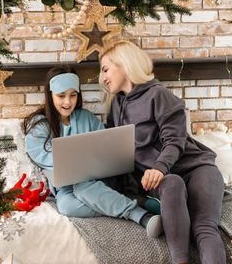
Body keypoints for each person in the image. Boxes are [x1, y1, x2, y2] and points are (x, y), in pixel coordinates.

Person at [99, 41, 232, 264]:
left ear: (124, 64)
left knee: (204, 225)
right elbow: (118, 152)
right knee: (171, 183)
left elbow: (175, 141)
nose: (102, 78)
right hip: (166, 179)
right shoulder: (116, 106)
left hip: (196, 168)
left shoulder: (158, 95)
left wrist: (158, 167)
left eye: (105, 69)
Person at [23, 66, 162, 238]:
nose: (67, 102)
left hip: (97, 180)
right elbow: (45, 158)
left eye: (73, 95)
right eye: (61, 96)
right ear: (50, 95)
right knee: (66, 206)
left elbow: (104, 146)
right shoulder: (39, 126)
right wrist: (78, 164)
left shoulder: (86, 117)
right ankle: (133, 202)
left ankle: (140, 216)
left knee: (83, 188)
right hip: (65, 186)